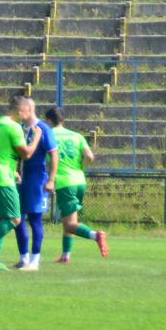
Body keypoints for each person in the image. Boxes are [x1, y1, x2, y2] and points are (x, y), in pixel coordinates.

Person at [0, 95, 46, 271]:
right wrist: (37, 137)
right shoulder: (13, 127)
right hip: (4, 180)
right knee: (14, 219)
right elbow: (27, 154)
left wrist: (12, 170)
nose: (29, 115)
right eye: (28, 111)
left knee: (0, 220)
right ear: (21, 110)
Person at [46, 108, 109, 263]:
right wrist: (81, 165)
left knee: (70, 224)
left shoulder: (48, 135)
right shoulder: (77, 136)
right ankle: (65, 255)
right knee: (69, 220)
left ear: (48, 121)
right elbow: (89, 156)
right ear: (63, 120)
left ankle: (96, 235)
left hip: (64, 182)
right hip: (80, 181)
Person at [14, 97, 58, 271]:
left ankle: (35, 260)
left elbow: (54, 154)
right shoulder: (19, 128)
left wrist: (51, 180)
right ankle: (23, 258)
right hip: (20, 180)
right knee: (17, 218)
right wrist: (16, 170)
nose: (18, 113)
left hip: (36, 180)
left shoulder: (43, 129)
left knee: (34, 219)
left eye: (21, 110)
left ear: (29, 109)